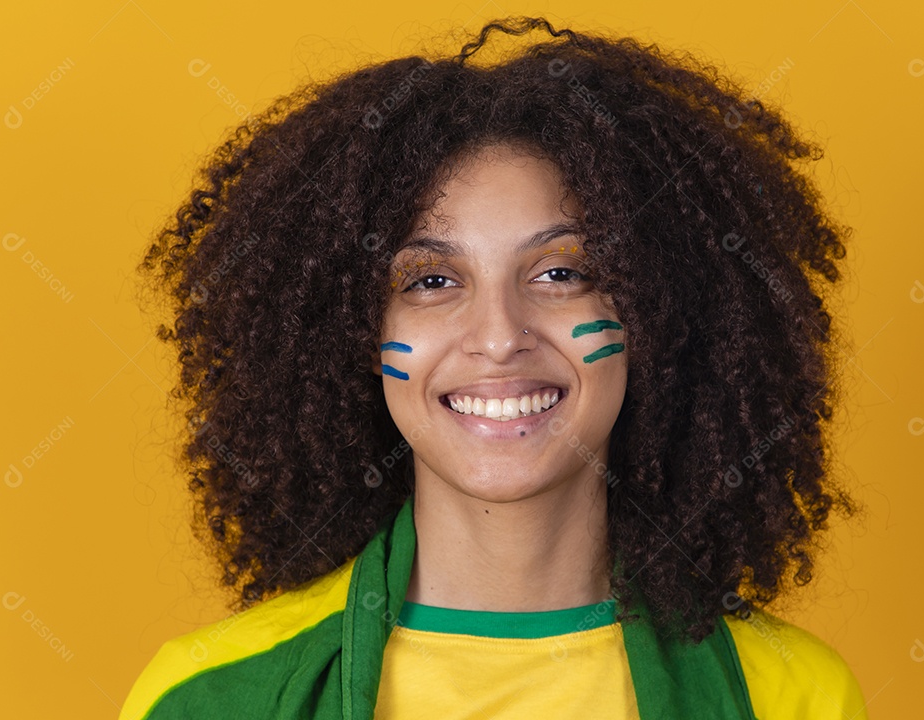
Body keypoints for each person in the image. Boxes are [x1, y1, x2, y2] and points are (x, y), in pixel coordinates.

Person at [120, 15, 869, 719]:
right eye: (431, 281)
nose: (500, 335)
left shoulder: (790, 694)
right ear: (344, 332)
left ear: (662, 310)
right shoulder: (212, 697)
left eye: (561, 274)